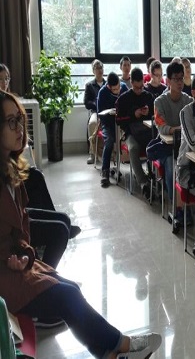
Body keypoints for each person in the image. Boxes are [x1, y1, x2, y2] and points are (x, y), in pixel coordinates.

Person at [0, 90, 162, 358]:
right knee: (68, 296)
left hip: (17, 265)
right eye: (11, 122)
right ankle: (123, 345)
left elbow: (23, 229)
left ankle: (110, 354)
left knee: (72, 289)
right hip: (3, 276)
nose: (19, 128)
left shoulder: (11, 170)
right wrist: (11, 260)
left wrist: (25, 254)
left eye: (20, 119)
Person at [154, 62, 193, 213]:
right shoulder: (159, 102)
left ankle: (190, 203)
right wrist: (180, 129)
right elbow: (161, 127)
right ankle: (176, 208)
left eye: (181, 78)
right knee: (172, 166)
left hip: (185, 147)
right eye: (176, 79)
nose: (179, 82)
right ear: (168, 80)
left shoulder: (188, 100)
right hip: (166, 148)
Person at [116, 68, 154, 200]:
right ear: (131, 82)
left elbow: (157, 116)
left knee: (156, 144)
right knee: (133, 148)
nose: (139, 90)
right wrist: (133, 115)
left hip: (147, 131)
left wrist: (148, 112)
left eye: (141, 87)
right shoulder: (123, 98)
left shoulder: (148, 96)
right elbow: (118, 120)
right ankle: (143, 182)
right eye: (137, 88)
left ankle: (155, 176)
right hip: (130, 132)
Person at [97, 73, 128, 188]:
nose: (117, 91)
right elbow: (100, 113)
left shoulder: (124, 87)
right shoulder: (103, 92)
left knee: (133, 136)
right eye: (114, 89)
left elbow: (130, 103)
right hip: (108, 124)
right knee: (109, 141)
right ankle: (105, 171)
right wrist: (111, 114)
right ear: (108, 86)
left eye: (118, 88)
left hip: (123, 122)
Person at [84, 60, 105, 165]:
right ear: (93, 71)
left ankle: (114, 152)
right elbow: (86, 103)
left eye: (101, 67)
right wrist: (96, 104)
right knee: (92, 124)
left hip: (107, 112)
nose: (99, 70)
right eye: (97, 68)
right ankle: (92, 153)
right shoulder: (89, 85)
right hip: (95, 112)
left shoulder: (107, 84)